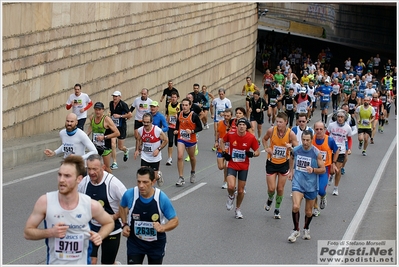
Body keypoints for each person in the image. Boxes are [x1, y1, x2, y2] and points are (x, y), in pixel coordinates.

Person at [24, 155, 115, 265]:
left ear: (79, 179)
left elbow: (109, 222)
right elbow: (27, 232)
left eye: (67, 176)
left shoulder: (90, 205)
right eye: (60, 175)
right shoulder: (45, 202)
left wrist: (100, 236)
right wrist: (50, 232)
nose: (61, 180)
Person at [119, 167, 179, 264]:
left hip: (156, 245)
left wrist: (163, 227)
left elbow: (175, 220)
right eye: (139, 182)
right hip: (135, 243)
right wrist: (125, 224)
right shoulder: (130, 194)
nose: (141, 185)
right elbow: (122, 207)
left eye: (145, 182)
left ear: (153, 182)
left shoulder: (161, 198)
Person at [78, 154, 127, 265]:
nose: (91, 172)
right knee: (91, 261)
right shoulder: (83, 183)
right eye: (89, 169)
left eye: (95, 169)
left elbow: (128, 204)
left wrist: (115, 216)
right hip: (92, 229)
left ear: (103, 168)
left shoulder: (114, 184)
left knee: (107, 263)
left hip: (112, 230)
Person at [287, 130, 325, 242]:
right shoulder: (297, 150)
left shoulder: (316, 153)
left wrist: (313, 169)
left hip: (311, 185)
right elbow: (292, 157)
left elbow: (322, 169)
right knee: (295, 206)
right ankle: (295, 230)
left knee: (308, 212)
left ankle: (306, 228)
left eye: (307, 140)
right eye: (303, 139)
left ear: (311, 140)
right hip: (298, 182)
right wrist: (291, 171)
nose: (305, 142)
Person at [220, 118, 260, 219]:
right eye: (240, 124)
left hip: (244, 166)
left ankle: (237, 209)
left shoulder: (251, 138)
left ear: (246, 127)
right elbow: (222, 141)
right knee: (231, 187)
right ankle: (231, 196)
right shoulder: (231, 134)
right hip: (232, 164)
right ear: (237, 126)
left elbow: (258, 152)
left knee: (241, 190)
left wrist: (252, 154)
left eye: (244, 125)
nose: (242, 126)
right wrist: (225, 152)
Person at [262, 112, 298, 219]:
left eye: (280, 122)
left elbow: (297, 147)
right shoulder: (271, 130)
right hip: (272, 162)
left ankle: (277, 209)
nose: (278, 124)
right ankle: (270, 198)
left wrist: (290, 146)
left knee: (280, 188)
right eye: (277, 121)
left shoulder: (290, 133)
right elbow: (264, 139)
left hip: (283, 163)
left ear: (286, 122)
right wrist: (267, 148)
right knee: (272, 189)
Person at [311, 121, 339, 217]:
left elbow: (336, 151)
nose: (319, 131)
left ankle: (323, 197)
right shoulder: (311, 140)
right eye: (317, 129)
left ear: (324, 130)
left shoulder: (329, 140)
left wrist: (333, 163)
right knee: (313, 189)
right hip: (313, 168)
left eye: (321, 129)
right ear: (314, 130)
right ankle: (315, 208)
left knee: (321, 190)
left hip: (325, 168)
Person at [174, 98, 203, 186]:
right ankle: (181, 177)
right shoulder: (179, 114)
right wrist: (176, 130)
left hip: (191, 139)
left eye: (186, 105)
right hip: (181, 138)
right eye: (183, 105)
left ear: (190, 106)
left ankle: (193, 172)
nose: (184, 107)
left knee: (192, 157)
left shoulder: (194, 116)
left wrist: (192, 131)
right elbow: (177, 125)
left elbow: (200, 127)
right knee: (179, 157)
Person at [134, 113, 168, 187]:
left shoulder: (157, 130)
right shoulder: (140, 130)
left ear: (151, 122)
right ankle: (147, 189)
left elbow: (166, 140)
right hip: (145, 156)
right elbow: (138, 139)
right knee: (143, 174)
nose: (145, 124)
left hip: (155, 157)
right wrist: (137, 150)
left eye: (147, 122)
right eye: (144, 122)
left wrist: (158, 149)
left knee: (154, 177)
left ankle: (158, 176)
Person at [87, 102, 121, 173]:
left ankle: (111, 182)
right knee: (94, 167)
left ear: (103, 110)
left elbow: (117, 133)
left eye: (99, 109)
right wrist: (84, 137)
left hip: (105, 147)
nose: (97, 111)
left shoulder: (107, 119)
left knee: (106, 168)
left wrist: (104, 137)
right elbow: (90, 128)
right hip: (95, 146)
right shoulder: (92, 118)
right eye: (96, 109)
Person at [326, 109, 352, 196]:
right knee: (331, 170)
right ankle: (331, 175)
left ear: (345, 118)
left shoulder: (347, 128)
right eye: (338, 117)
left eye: (341, 117)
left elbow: (349, 139)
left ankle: (335, 188)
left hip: (341, 150)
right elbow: (326, 134)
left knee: (338, 170)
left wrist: (348, 149)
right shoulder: (331, 125)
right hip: (331, 149)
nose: (340, 118)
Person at [109, 90, 133, 170]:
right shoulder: (111, 103)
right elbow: (111, 112)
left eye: (116, 96)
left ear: (120, 97)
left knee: (120, 147)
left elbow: (130, 115)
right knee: (113, 144)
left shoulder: (123, 104)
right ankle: (114, 162)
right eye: (113, 96)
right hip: (113, 127)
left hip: (121, 126)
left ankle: (126, 150)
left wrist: (120, 116)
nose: (114, 98)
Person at [214, 108, 233, 189]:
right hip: (221, 147)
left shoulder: (234, 124)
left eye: (228, 116)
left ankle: (225, 181)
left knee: (226, 166)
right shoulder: (220, 123)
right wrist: (216, 141)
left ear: (231, 116)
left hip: (229, 148)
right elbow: (217, 133)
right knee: (221, 166)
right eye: (225, 115)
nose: (226, 117)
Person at [165, 92, 180, 166]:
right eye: (172, 97)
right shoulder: (169, 105)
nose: (173, 99)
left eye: (175, 97)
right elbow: (167, 113)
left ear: (177, 98)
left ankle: (181, 155)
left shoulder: (180, 105)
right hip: (170, 126)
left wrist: (178, 117)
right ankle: (170, 158)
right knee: (170, 141)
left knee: (178, 143)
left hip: (178, 127)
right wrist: (167, 117)